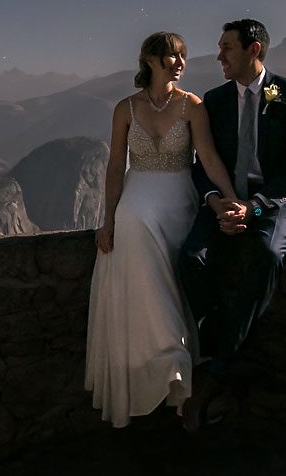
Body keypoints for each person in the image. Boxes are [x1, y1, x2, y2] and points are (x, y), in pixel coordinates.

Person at [84, 31, 241, 428]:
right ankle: (169, 361)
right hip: (138, 196)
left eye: (183, 56)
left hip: (178, 198)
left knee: (175, 277)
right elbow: (116, 167)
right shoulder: (125, 109)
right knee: (133, 226)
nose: (180, 63)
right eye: (172, 56)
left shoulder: (192, 106)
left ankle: (179, 374)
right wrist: (106, 221)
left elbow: (206, 156)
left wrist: (230, 195)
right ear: (151, 60)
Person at [178, 18, 286, 430]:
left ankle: (218, 367)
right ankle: (223, 333)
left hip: (277, 202)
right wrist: (218, 202)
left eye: (227, 48)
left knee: (266, 253)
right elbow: (201, 164)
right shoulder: (214, 100)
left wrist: (254, 207)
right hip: (224, 202)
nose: (218, 55)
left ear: (253, 51)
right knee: (191, 258)